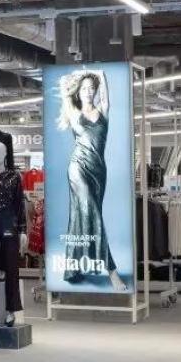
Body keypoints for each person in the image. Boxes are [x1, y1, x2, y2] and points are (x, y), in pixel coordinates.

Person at [57, 69, 123, 290]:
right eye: (84, 88)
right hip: (78, 168)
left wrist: (98, 73)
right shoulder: (74, 113)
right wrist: (78, 74)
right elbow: (63, 89)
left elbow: (105, 91)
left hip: (98, 171)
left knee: (84, 214)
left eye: (91, 88)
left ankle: (74, 267)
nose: (87, 91)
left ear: (95, 92)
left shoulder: (103, 110)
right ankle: (112, 271)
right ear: (79, 92)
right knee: (91, 211)